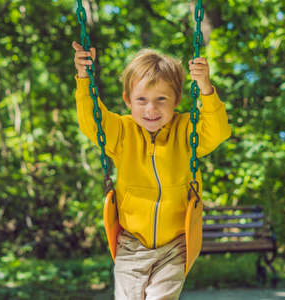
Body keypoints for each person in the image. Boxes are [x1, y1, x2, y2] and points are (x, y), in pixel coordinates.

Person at [72, 41, 231, 300]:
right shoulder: (122, 132)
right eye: (142, 100)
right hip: (131, 243)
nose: (151, 109)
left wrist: (205, 88)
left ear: (176, 100)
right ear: (128, 100)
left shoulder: (186, 131)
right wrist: (83, 77)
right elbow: (92, 120)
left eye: (161, 99)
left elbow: (218, 132)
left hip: (176, 243)